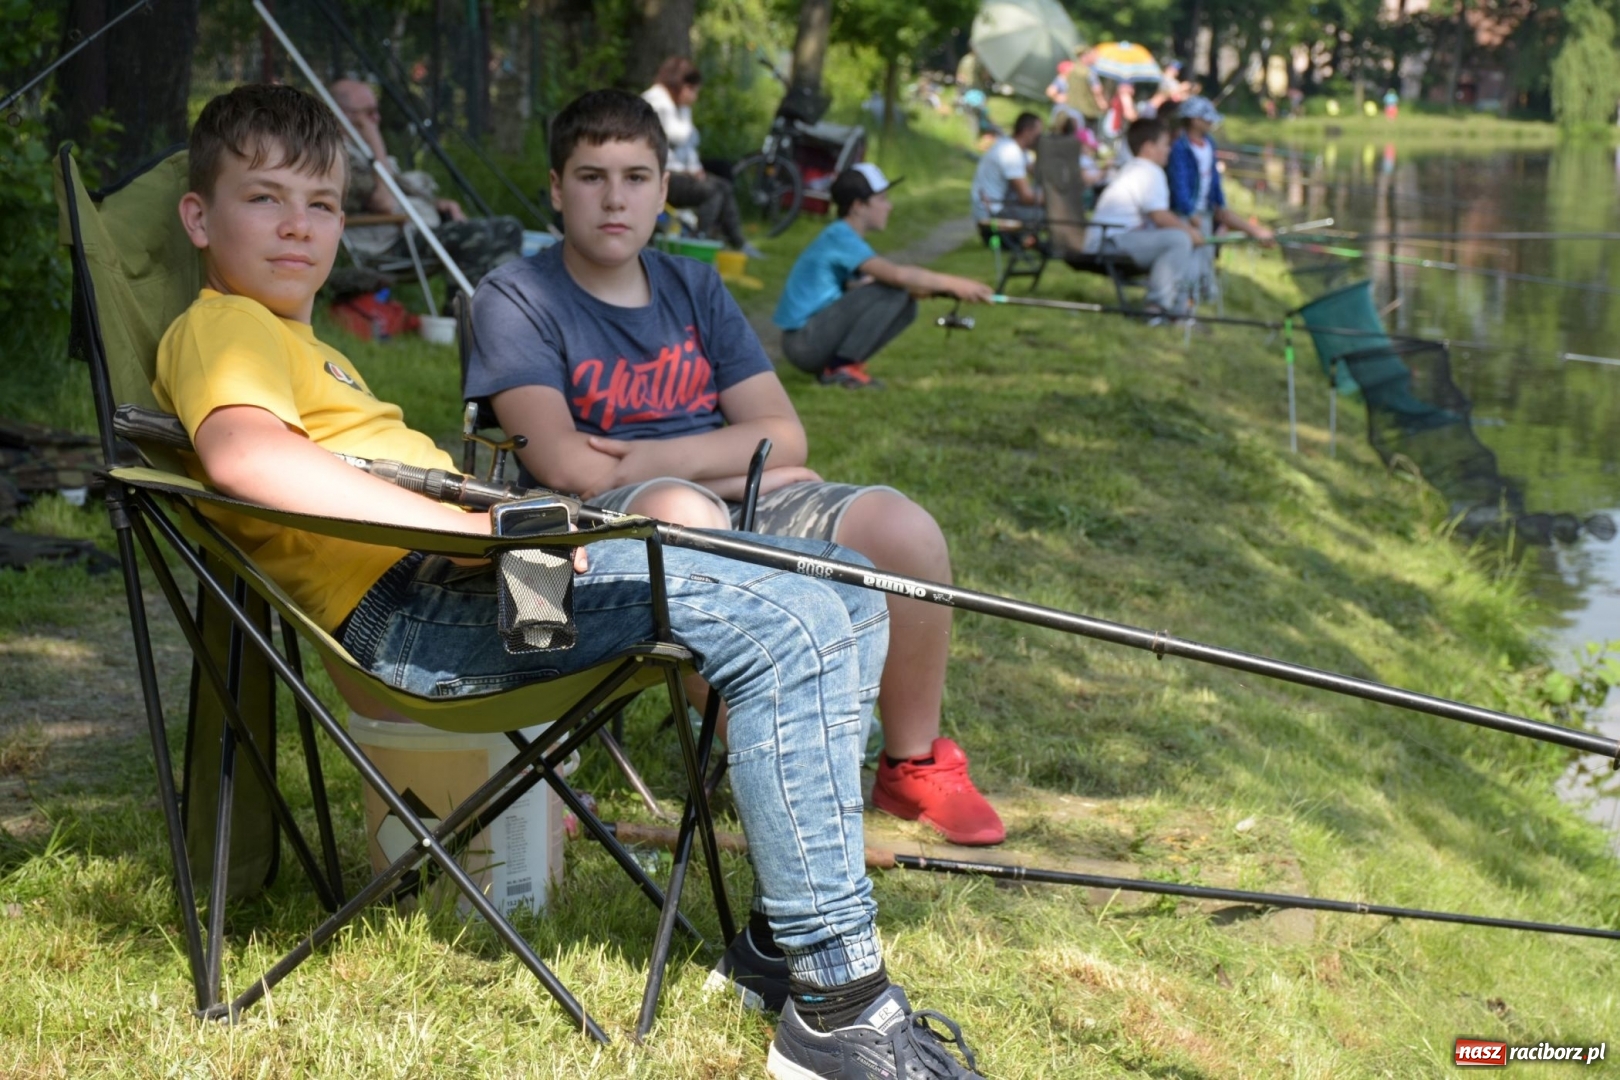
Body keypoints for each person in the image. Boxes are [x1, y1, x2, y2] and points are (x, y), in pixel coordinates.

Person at [160, 83, 981, 1080]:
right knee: (792, 616)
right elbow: (249, 461)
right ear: (198, 217)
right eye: (265, 199)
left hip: (492, 577)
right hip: (422, 614)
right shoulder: (222, 327)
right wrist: (477, 533)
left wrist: (507, 536)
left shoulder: (305, 345)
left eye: (323, 204)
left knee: (842, 583)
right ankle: (839, 1009)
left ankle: (780, 941)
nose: (299, 227)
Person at [466, 91, 1007, 865]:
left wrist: (663, 455)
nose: (614, 198)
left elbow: (785, 431)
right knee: (687, 512)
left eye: (635, 176)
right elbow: (565, 464)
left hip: (724, 494)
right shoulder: (518, 296)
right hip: (597, 532)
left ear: (664, 189)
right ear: (556, 188)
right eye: (590, 176)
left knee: (904, 530)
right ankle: (797, 766)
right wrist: (724, 459)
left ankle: (909, 763)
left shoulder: (695, 290)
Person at [775, 164, 993, 388]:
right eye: (882, 199)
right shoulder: (840, 237)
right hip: (803, 343)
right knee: (894, 289)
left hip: (810, 339)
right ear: (858, 206)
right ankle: (842, 367)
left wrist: (935, 289)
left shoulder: (843, 237)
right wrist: (956, 284)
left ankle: (845, 366)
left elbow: (857, 287)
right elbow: (896, 275)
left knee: (905, 300)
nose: (889, 206)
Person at [329, 79, 522, 291]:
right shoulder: (336, 157)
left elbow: (399, 191)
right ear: (342, 115)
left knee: (508, 227)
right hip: (387, 245)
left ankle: (503, 304)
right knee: (474, 235)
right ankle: (461, 314)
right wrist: (376, 144)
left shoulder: (361, 151)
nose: (377, 119)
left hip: (410, 231)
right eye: (369, 113)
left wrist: (436, 203)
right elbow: (384, 202)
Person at [641, 56, 762, 258]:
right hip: (661, 172)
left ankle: (737, 241)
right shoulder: (655, 102)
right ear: (682, 86)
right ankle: (698, 240)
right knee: (712, 191)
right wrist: (688, 169)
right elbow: (668, 140)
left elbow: (688, 146)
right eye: (694, 90)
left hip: (681, 172)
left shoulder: (680, 107)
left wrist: (696, 168)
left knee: (723, 185)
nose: (695, 97)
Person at [1084, 117, 1204, 316]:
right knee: (1180, 239)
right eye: (1165, 145)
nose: (1169, 150)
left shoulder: (1134, 168)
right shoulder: (1149, 172)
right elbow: (1159, 217)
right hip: (1110, 243)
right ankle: (1156, 310)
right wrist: (1190, 231)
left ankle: (1179, 311)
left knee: (1180, 237)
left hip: (1109, 240)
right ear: (1149, 147)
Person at [970, 111, 1044, 228]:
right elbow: (1026, 197)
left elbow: (1039, 174)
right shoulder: (1011, 152)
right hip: (993, 212)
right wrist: (1054, 200)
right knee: (1047, 216)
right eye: (1038, 135)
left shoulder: (1016, 148)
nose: (1040, 139)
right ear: (1027, 131)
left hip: (996, 206)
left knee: (1047, 211)